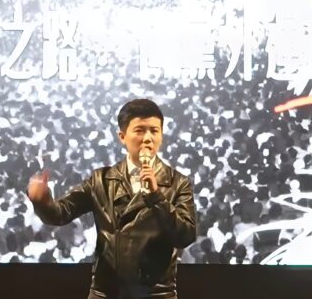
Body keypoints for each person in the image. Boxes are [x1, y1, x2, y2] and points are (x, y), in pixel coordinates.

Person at [27, 99, 196, 299]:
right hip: (106, 292)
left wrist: (156, 196)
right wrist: (42, 201)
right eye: (140, 130)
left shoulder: (178, 183)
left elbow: (185, 236)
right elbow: (61, 214)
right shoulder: (101, 180)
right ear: (122, 136)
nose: (148, 138)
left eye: (154, 131)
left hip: (157, 293)